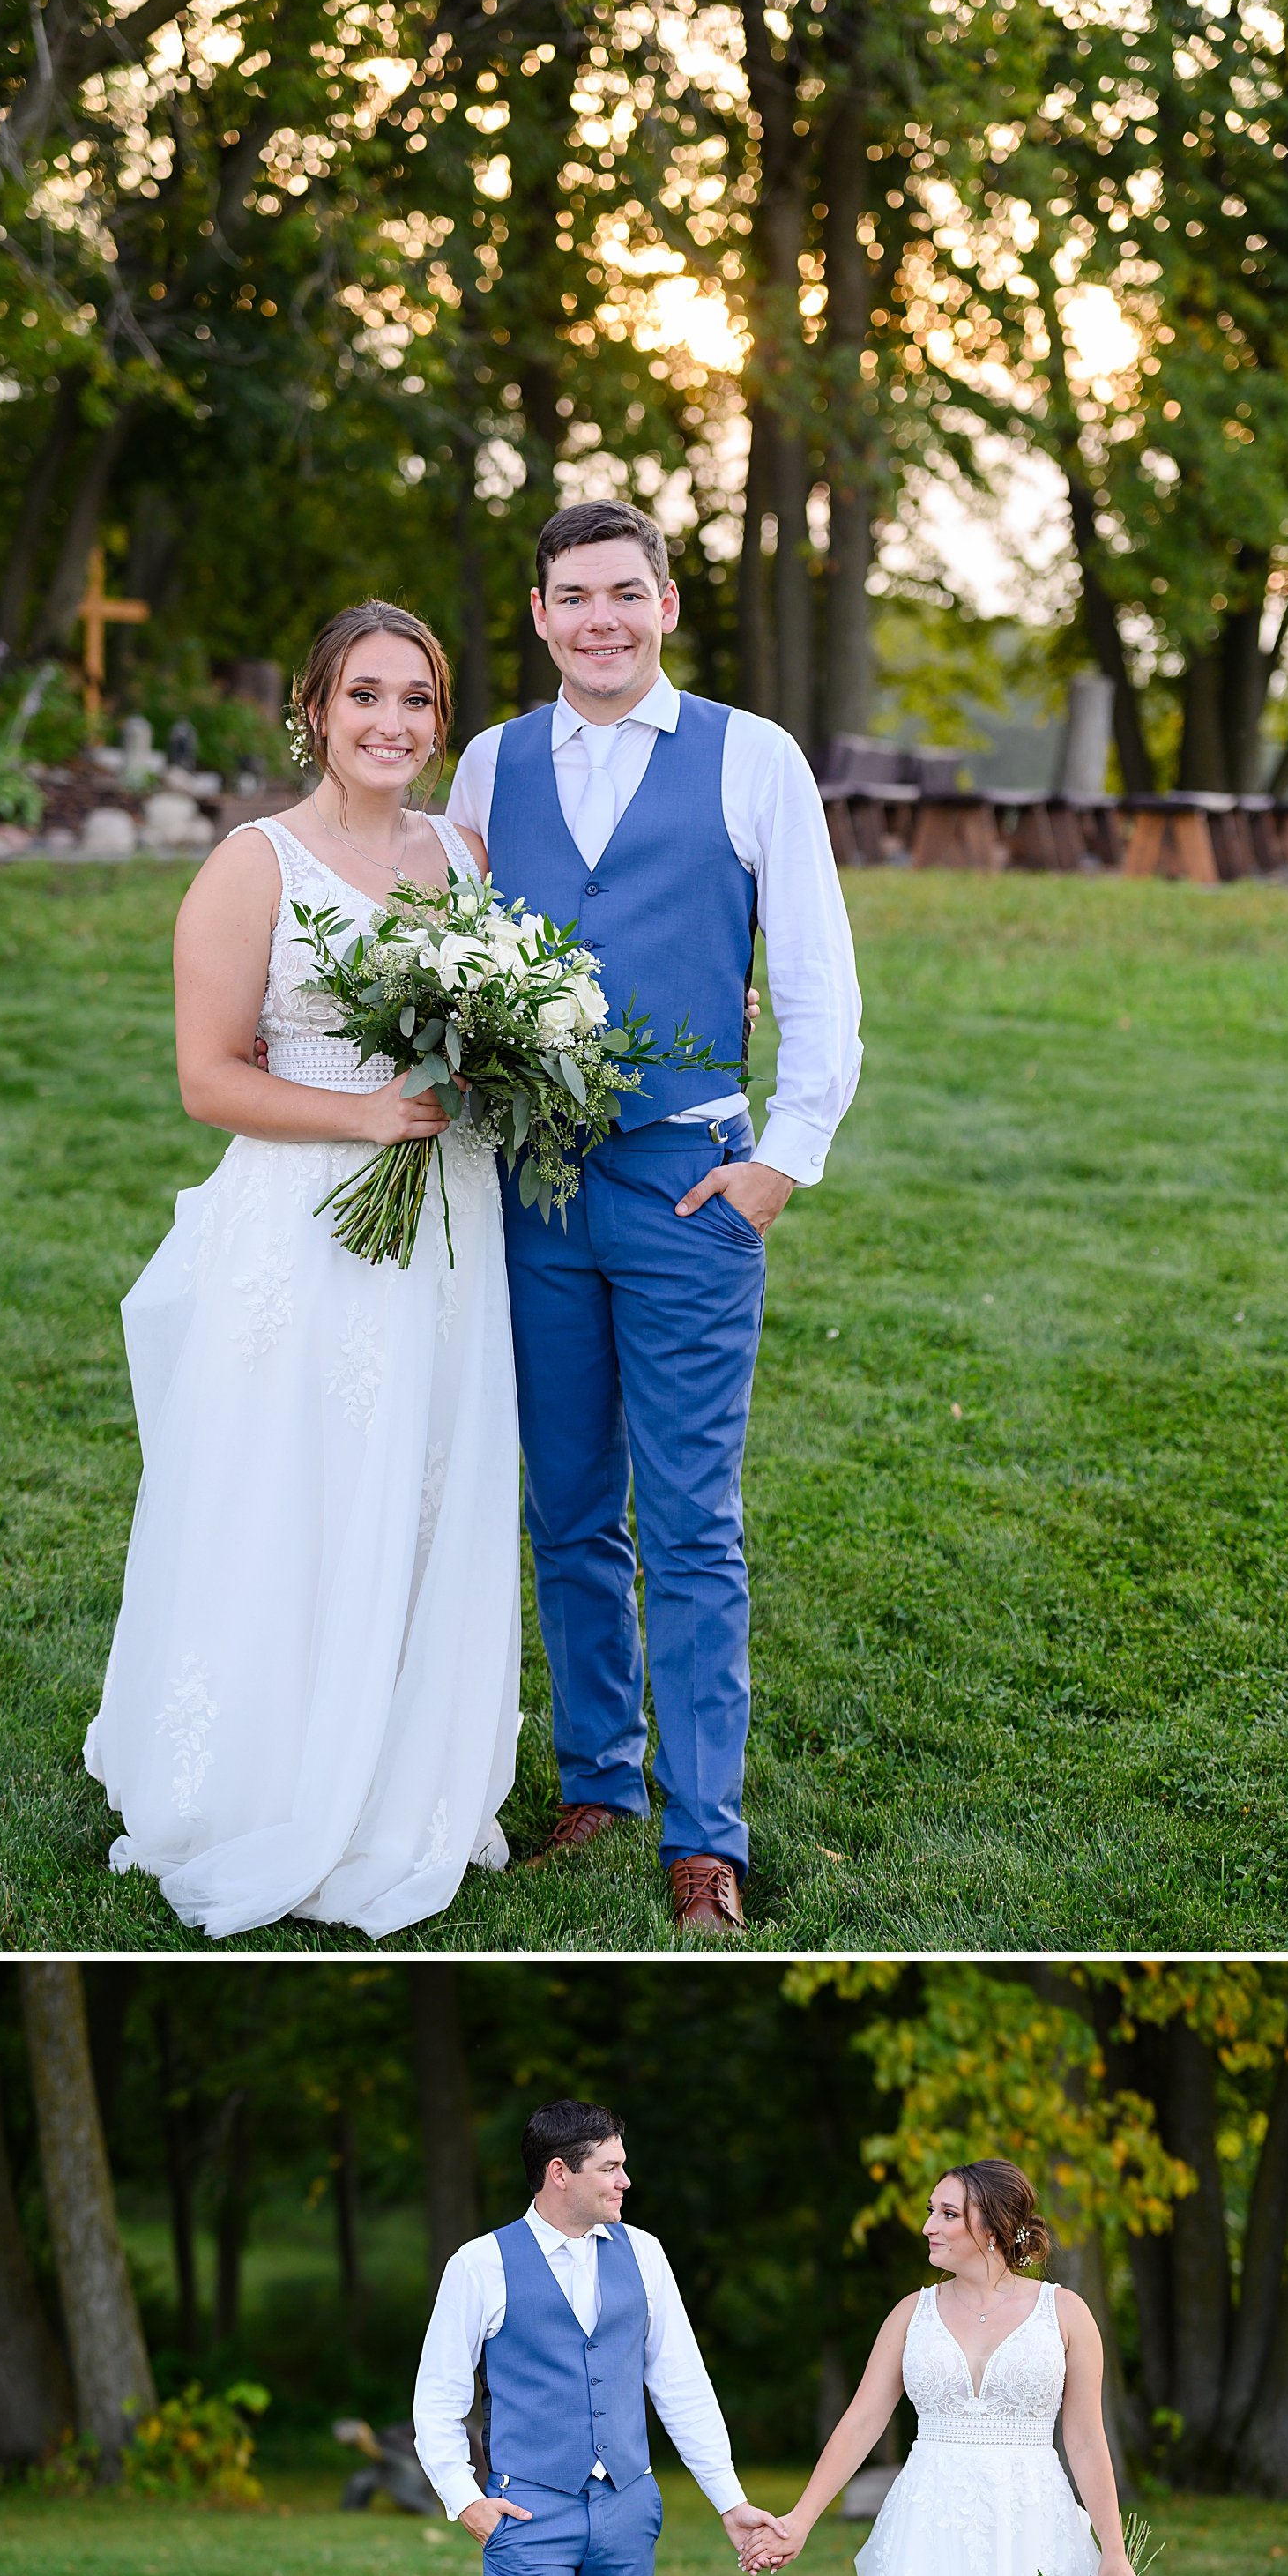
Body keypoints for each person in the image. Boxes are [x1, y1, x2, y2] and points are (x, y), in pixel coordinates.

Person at [449, 495, 862, 1934]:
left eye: (627, 591)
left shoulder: (755, 756)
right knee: (566, 1506)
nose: (602, 618)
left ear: (668, 604)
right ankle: (598, 1779)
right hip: (535, 1187)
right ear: (544, 612)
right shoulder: (490, 762)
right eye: (574, 595)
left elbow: (815, 976)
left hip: (691, 1184)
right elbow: (453, 955)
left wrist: (780, 1158)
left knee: (690, 1518)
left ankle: (707, 1833)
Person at [84, 603, 522, 1938]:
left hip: (446, 1218)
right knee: (299, 1484)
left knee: (429, 1477)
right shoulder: (252, 863)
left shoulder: (465, 851)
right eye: (367, 697)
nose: (394, 724)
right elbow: (207, 1077)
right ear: (317, 711)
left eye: (420, 701)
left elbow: (490, 1016)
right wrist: (365, 1116)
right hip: (309, 1216)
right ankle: (269, 1767)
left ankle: (406, 1768)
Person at [737, 2155, 1135, 2576]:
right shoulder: (910, 2313)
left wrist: (1113, 2548)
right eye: (932, 2211)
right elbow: (863, 2420)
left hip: (1032, 2526)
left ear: (996, 2224)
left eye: (947, 2214)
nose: (929, 2226)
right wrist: (800, 2519)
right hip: (928, 2527)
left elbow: (1087, 2440)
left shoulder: (1064, 2313)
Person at [414, 2097, 779, 2576]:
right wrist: (466, 2499)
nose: (625, 2181)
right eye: (610, 2167)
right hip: (529, 2516)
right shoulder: (480, 2265)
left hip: (626, 2512)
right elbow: (437, 2400)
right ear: (560, 2173)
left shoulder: (643, 2252)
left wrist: (729, 2500)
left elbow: (680, 2383)